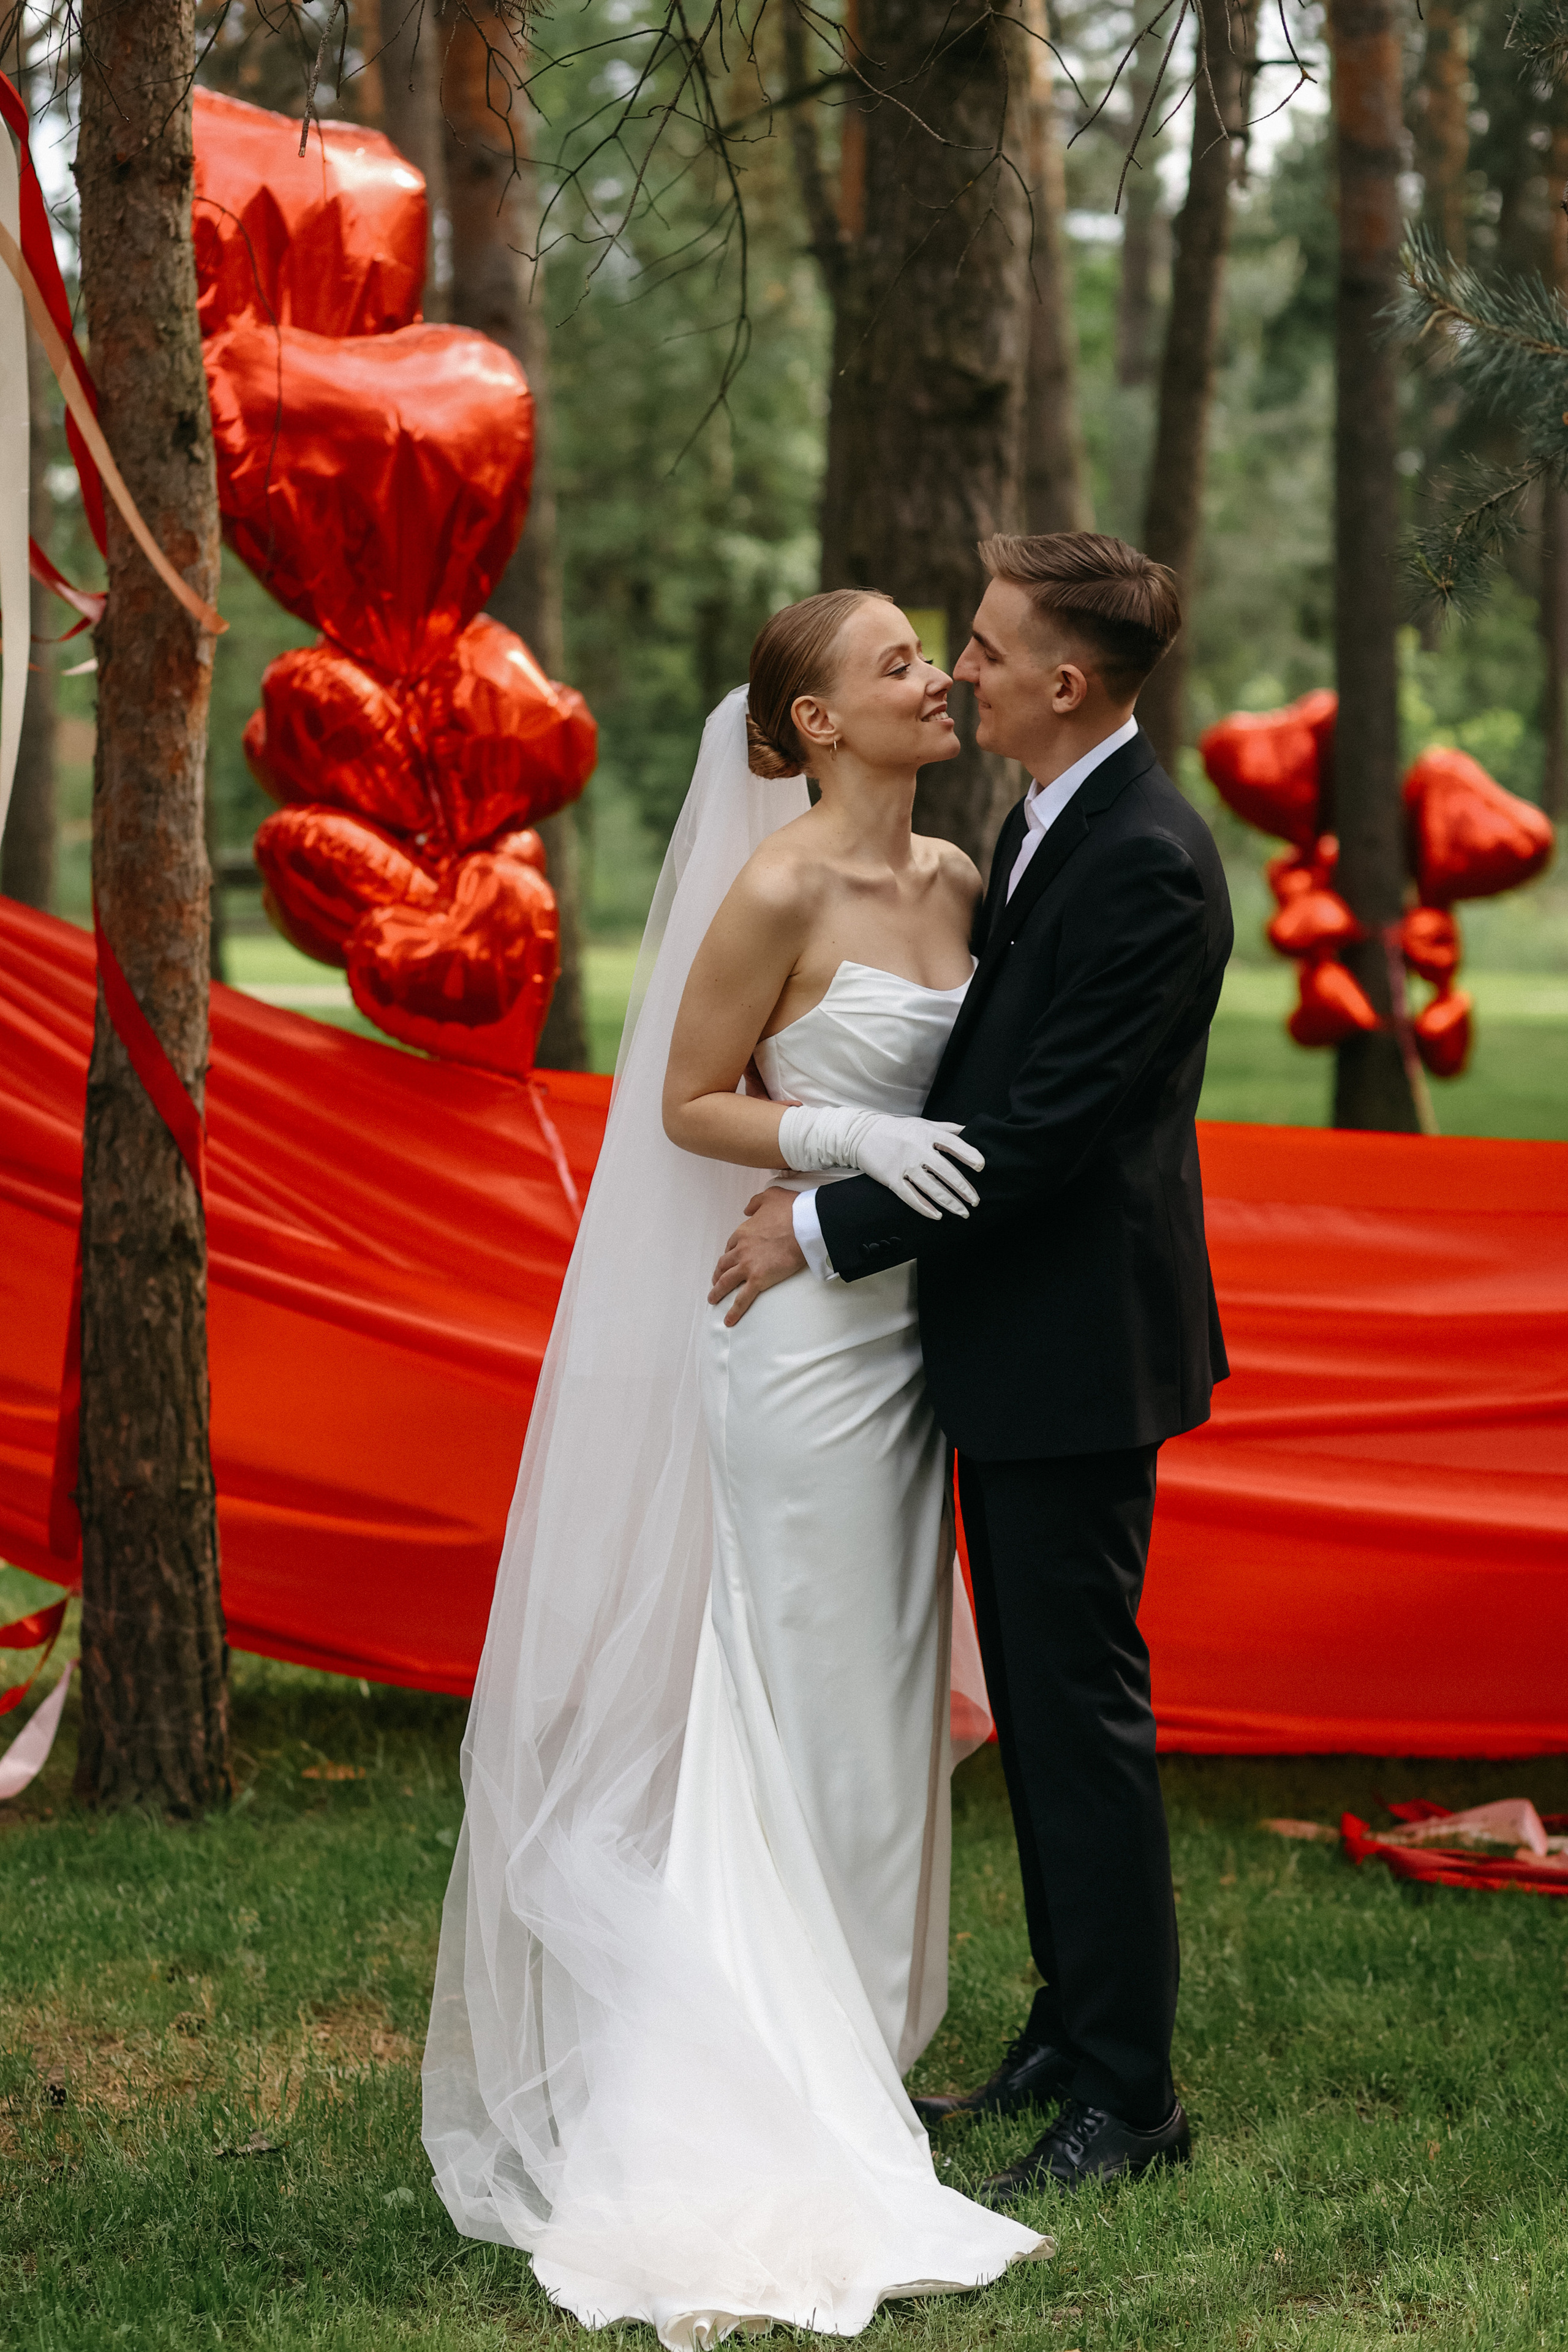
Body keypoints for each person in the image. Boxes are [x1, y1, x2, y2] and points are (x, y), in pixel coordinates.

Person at [423, 587, 1046, 2348]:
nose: (938, 680)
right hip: (800, 1359)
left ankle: (869, 2040)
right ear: (820, 725)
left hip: (924, 1346)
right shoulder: (777, 889)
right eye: (899, 666)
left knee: (885, 1701)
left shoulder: (958, 884)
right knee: (796, 1689)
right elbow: (690, 1098)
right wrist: (841, 1137)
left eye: (934, 655)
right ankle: (782, 2070)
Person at [710, 531, 1235, 2199]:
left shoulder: (1145, 855)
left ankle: (1131, 2094)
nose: (962, 669)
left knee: (1078, 1717)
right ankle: (1069, 2035)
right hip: (994, 1346)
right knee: (1041, 1708)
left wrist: (820, 1228)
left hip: (1076, 1350)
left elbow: (1050, 1136)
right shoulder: (1034, 827)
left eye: (989, 649)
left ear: (1065, 684)